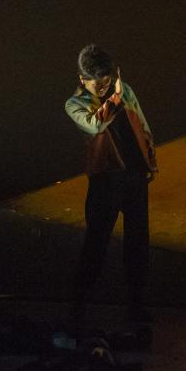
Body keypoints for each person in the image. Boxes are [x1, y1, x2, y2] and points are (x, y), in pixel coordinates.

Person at [64, 44, 158, 322]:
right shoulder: (75, 104)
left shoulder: (123, 89)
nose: (104, 87)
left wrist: (150, 160)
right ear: (83, 80)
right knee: (96, 243)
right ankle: (79, 306)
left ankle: (136, 305)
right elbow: (95, 125)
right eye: (98, 84)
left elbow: (142, 124)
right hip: (105, 180)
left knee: (138, 242)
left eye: (107, 81)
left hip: (134, 177)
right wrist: (115, 98)